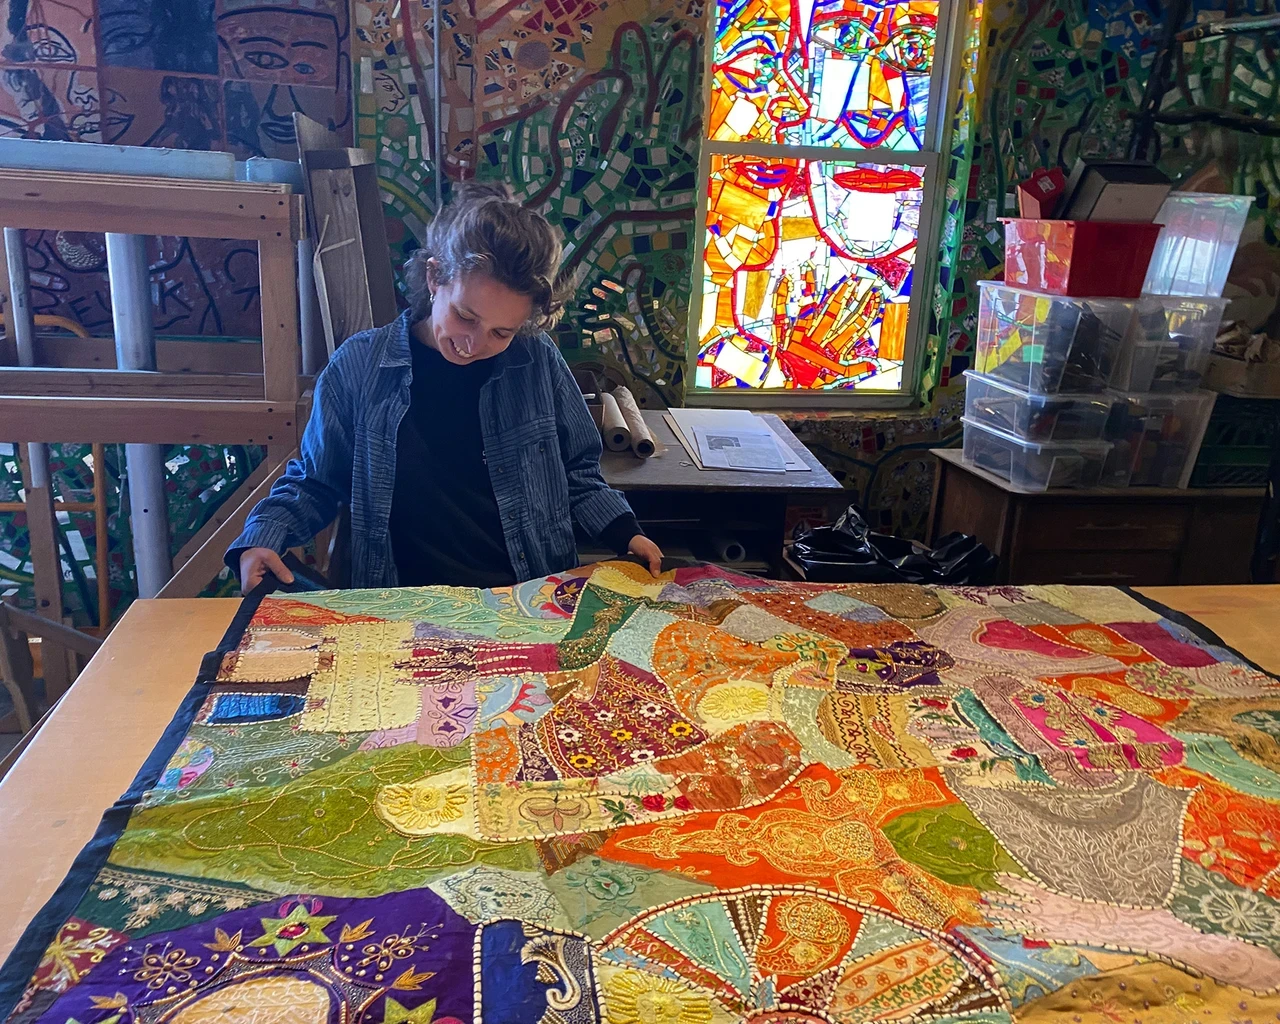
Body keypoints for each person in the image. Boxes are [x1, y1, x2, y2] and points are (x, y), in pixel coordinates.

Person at [228, 182, 663, 592]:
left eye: (501, 333)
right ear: (435, 278)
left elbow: (579, 475)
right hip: (398, 608)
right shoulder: (359, 367)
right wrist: (264, 536)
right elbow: (315, 481)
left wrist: (626, 535)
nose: (474, 344)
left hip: (524, 603)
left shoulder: (538, 360)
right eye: (466, 317)